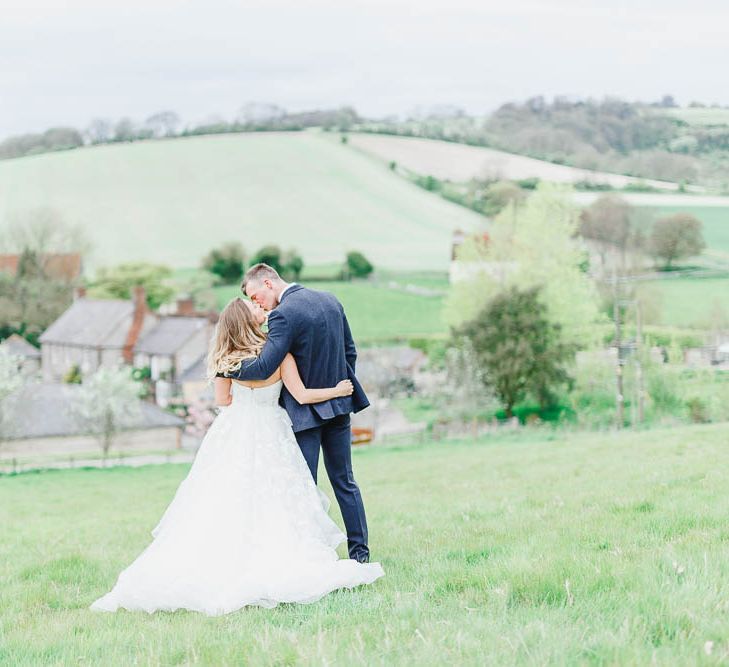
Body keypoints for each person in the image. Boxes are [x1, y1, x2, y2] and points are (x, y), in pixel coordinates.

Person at [90, 297, 383, 616]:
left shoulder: (224, 360)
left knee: (226, 495)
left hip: (235, 432)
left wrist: (245, 400)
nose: (261, 309)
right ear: (248, 321)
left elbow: (223, 400)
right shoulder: (280, 355)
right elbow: (301, 395)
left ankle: (225, 558)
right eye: (253, 307)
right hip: (273, 430)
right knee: (277, 496)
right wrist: (337, 391)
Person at [220, 263, 371, 563]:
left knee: (305, 486)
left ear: (268, 282)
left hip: (304, 415)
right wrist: (338, 390)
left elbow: (264, 367)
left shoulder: (282, 315)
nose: (257, 303)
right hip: (339, 406)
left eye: (255, 295)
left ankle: (312, 555)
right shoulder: (331, 299)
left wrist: (224, 367)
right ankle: (360, 554)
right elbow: (349, 352)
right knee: (345, 481)